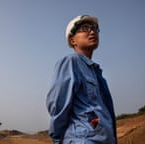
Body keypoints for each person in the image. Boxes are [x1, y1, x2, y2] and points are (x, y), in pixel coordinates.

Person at [46, 15, 117, 144]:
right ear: (73, 40)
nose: (92, 31)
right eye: (85, 28)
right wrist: (58, 138)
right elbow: (58, 104)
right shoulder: (71, 63)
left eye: (95, 28)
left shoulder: (97, 73)